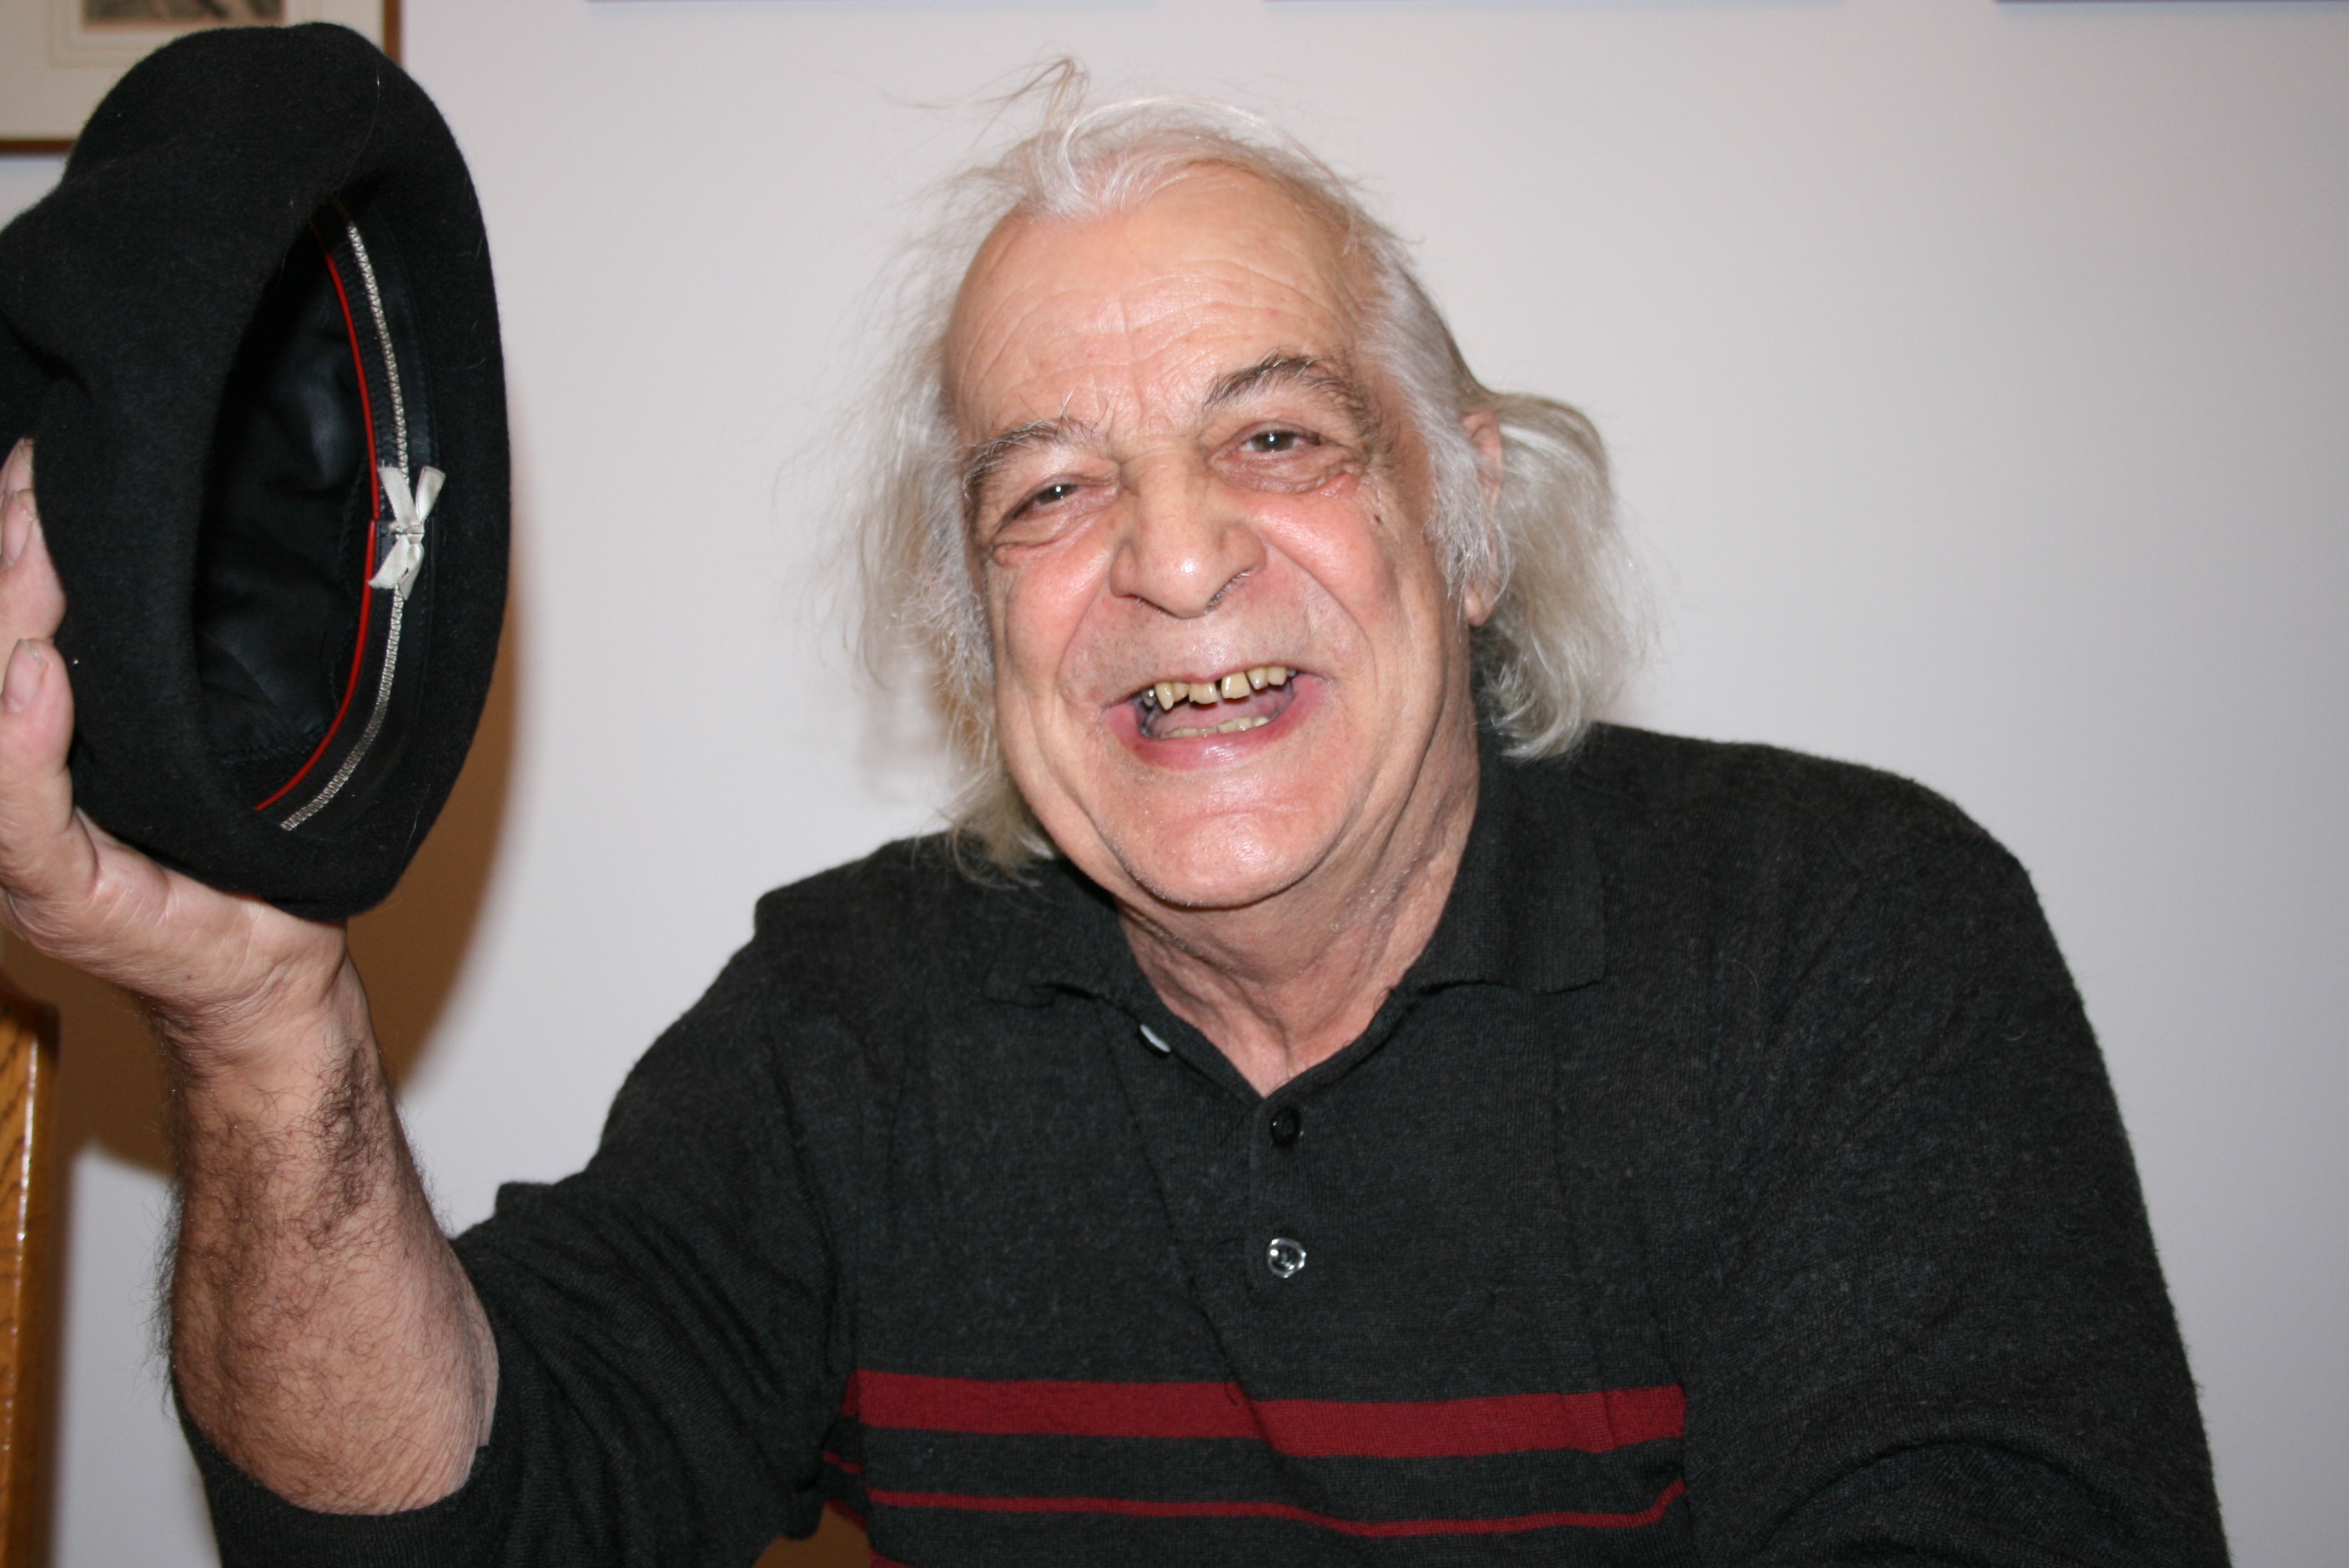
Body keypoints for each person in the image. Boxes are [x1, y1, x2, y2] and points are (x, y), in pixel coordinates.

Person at [0, 77, 2226, 1566]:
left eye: (1276, 439)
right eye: (1049, 489)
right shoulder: (851, 1022)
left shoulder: (1845, 940)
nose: (1170, 560)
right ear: (978, 630)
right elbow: (446, 1524)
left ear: (1464, 526)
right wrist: (260, 1021)